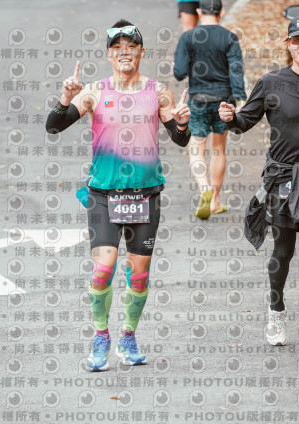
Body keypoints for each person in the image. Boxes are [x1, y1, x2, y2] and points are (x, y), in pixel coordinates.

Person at [45, 20, 191, 371]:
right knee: (103, 268)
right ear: (109, 54)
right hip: (104, 194)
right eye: (117, 47)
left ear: (141, 52)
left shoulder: (158, 92)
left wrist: (183, 123)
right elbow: (53, 126)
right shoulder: (94, 92)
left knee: (138, 275)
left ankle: (128, 336)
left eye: (131, 46)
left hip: (145, 194)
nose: (124, 52)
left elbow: (180, 139)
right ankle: (100, 337)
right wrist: (65, 99)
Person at [218, 15, 299, 352]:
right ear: (289, 45)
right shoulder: (271, 83)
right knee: (283, 251)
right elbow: (245, 121)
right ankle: (276, 311)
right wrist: (231, 118)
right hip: (282, 179)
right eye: (298, 40)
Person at [173, 0, 247, 219]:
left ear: (198, 11)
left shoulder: (188, 37)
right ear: (221, 13)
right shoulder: (229, 37)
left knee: (196, 147)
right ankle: (215, 201)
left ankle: (204, 187)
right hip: (224, 99)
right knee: (219, 149)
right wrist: (240, 98)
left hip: (198, 99)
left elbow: (179, 73)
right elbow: (236, 70)